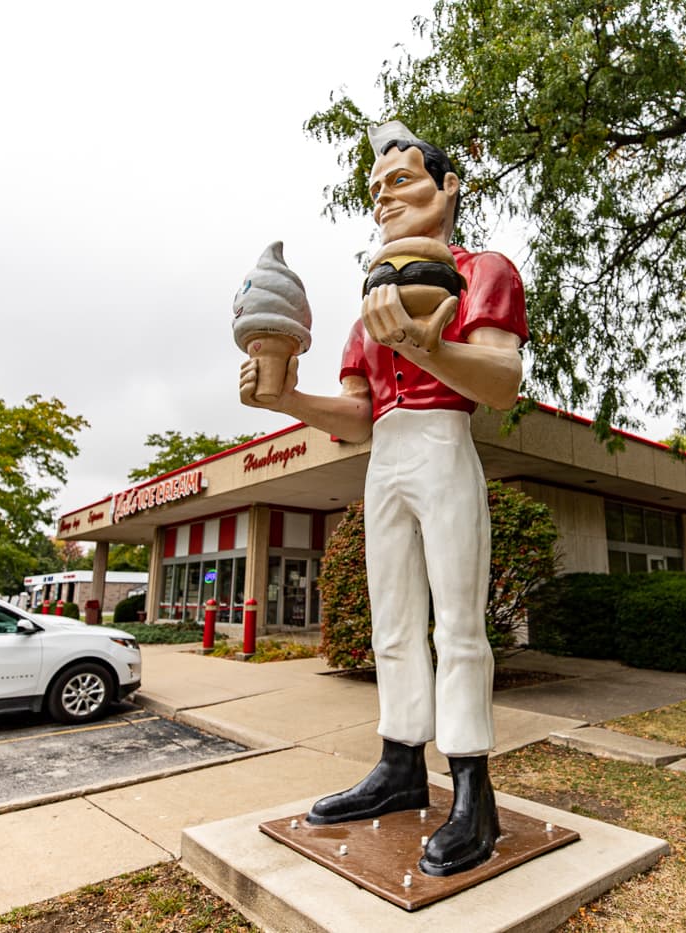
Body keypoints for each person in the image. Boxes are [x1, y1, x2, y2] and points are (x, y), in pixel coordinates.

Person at [239, 121, 526, 876]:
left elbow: (500, 380)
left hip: (442, 443)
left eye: (399, 181)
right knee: (393, 621)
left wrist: (429, 346)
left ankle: (473, 787)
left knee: (459, 623)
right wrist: (287, 398)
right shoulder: (371, 300)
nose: (384, 200)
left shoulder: (485, 269)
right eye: (376, 190)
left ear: (449, 185)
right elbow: (358, 414)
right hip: (389, 455)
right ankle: (400, 764)